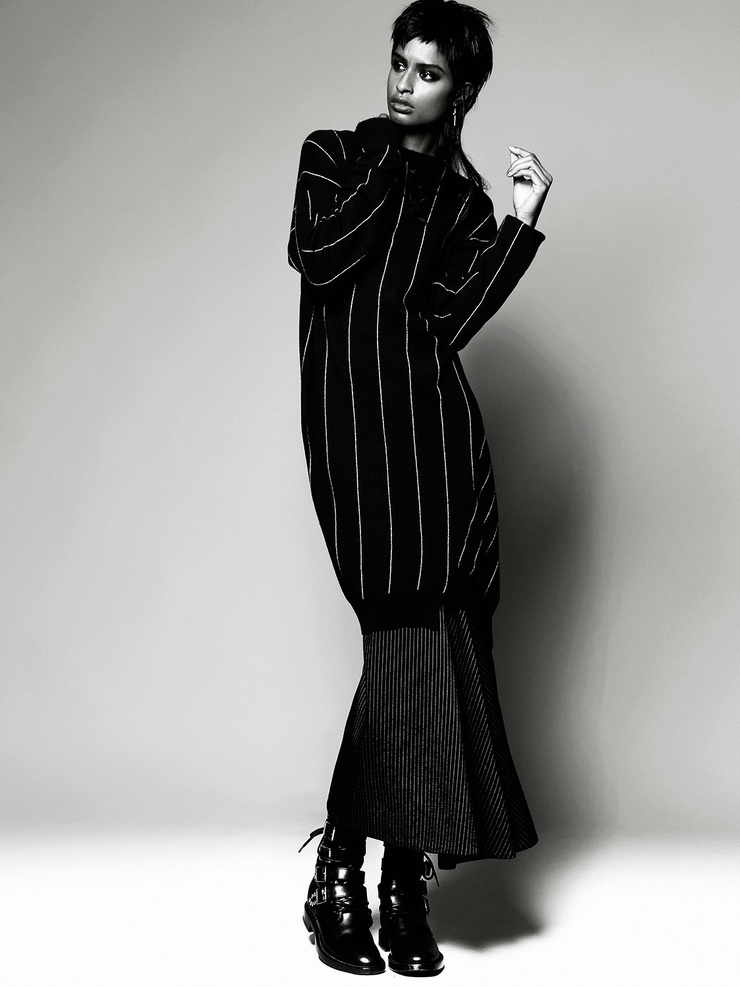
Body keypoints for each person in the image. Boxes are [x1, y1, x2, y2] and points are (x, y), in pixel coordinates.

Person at [288, 0, 552, 976]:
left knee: (434, 653)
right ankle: (339, 877)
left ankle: (394, 885)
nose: (403, 84)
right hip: (358, 447)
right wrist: (399, 165)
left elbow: (449, 322)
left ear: (461, 90)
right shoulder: (334, 157)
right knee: (400, 652)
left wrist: (517, 222)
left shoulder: (460, 204)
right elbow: (320, 256)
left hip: (439, 447)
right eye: (399, 63)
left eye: (427, 72)